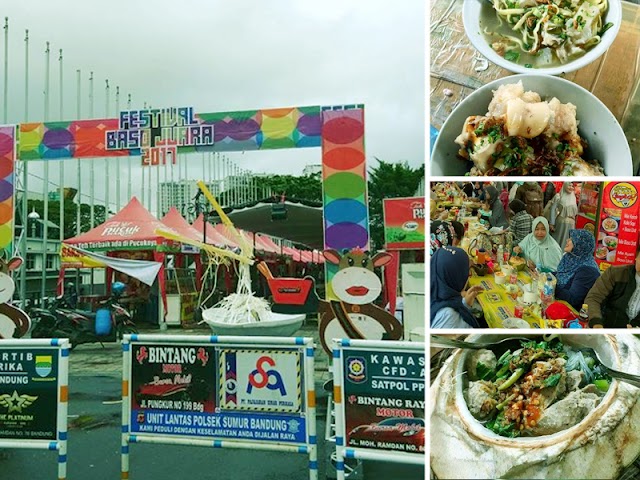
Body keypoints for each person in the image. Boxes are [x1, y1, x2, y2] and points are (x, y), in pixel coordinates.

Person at [585, 245, 640, 328]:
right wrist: (596, 323)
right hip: (607, 328)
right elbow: (594, 298)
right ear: (636, 256)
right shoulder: (616, 273)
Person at [431, 246, 483, 328]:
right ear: (455, 276)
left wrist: (465, 305)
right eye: (467, 270)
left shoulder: (436, 295)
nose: (469, 274)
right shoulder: (448, 316)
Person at [554, 230, 601, 310]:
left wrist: (550, 286)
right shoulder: (572, 257)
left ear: (580, 244)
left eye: (572, 239)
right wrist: (544, 274)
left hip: (574, 312)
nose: (567, 240)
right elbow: (561, 275)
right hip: (560, 302)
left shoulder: (588, 271)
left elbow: (573, 299)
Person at [549, 183, 578, 250]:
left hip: (571, 226)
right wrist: (552, 223)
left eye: (572, 186)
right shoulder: (559, 196)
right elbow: (553, 209)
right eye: (569, 185)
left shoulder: (573, 197)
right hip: (561, 224)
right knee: (557, 242)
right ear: (565, 185)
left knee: (567, 244)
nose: (571, 187)